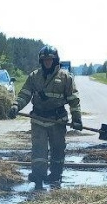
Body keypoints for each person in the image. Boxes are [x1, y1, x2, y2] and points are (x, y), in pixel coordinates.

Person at [8, 45, 82, 189]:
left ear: (55, 60)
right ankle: (38, 176)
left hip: (57, 121)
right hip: (38, 120)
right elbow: (24, 94)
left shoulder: (66, 77)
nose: (47, 62)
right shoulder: (34, 77)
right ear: (41, 61)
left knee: (58, 149)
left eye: (50, 60)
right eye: (45, 60)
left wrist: (77, 118)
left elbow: (74, 99)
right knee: (39, 151)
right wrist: (16, 106)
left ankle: (55, 176)